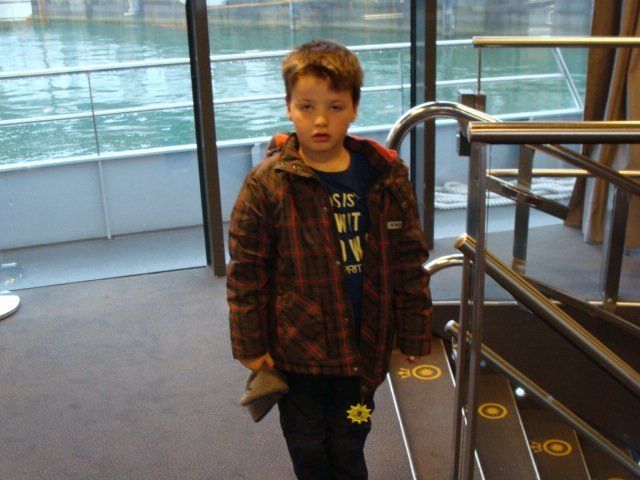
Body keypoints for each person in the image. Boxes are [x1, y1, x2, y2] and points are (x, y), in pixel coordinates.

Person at [227, 40, 432, 480]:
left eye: (335, 107)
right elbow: (246, 274)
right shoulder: (266, 185)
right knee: (307, 446)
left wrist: (414, 331)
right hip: (298, 352)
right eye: (307, 107)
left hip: (363, 348)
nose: (321, 120)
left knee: (350, 439)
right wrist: (251, 345)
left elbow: (408, 261)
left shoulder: (385, 178)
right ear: (289, 108)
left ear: (354, 108)